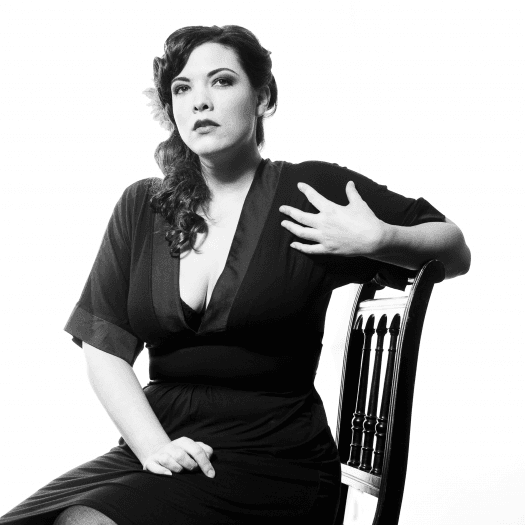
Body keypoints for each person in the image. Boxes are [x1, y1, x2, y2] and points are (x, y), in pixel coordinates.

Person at [0, 24, 471, 525]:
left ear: (262, 97)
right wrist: (153, 447)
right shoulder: (143, 206)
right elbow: (104, 347)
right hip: (163, 446)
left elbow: (454, 248)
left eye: (221, 81)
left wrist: (380, 239)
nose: (199, 101)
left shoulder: (310, 191)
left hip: (274, 456)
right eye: (182, 88)